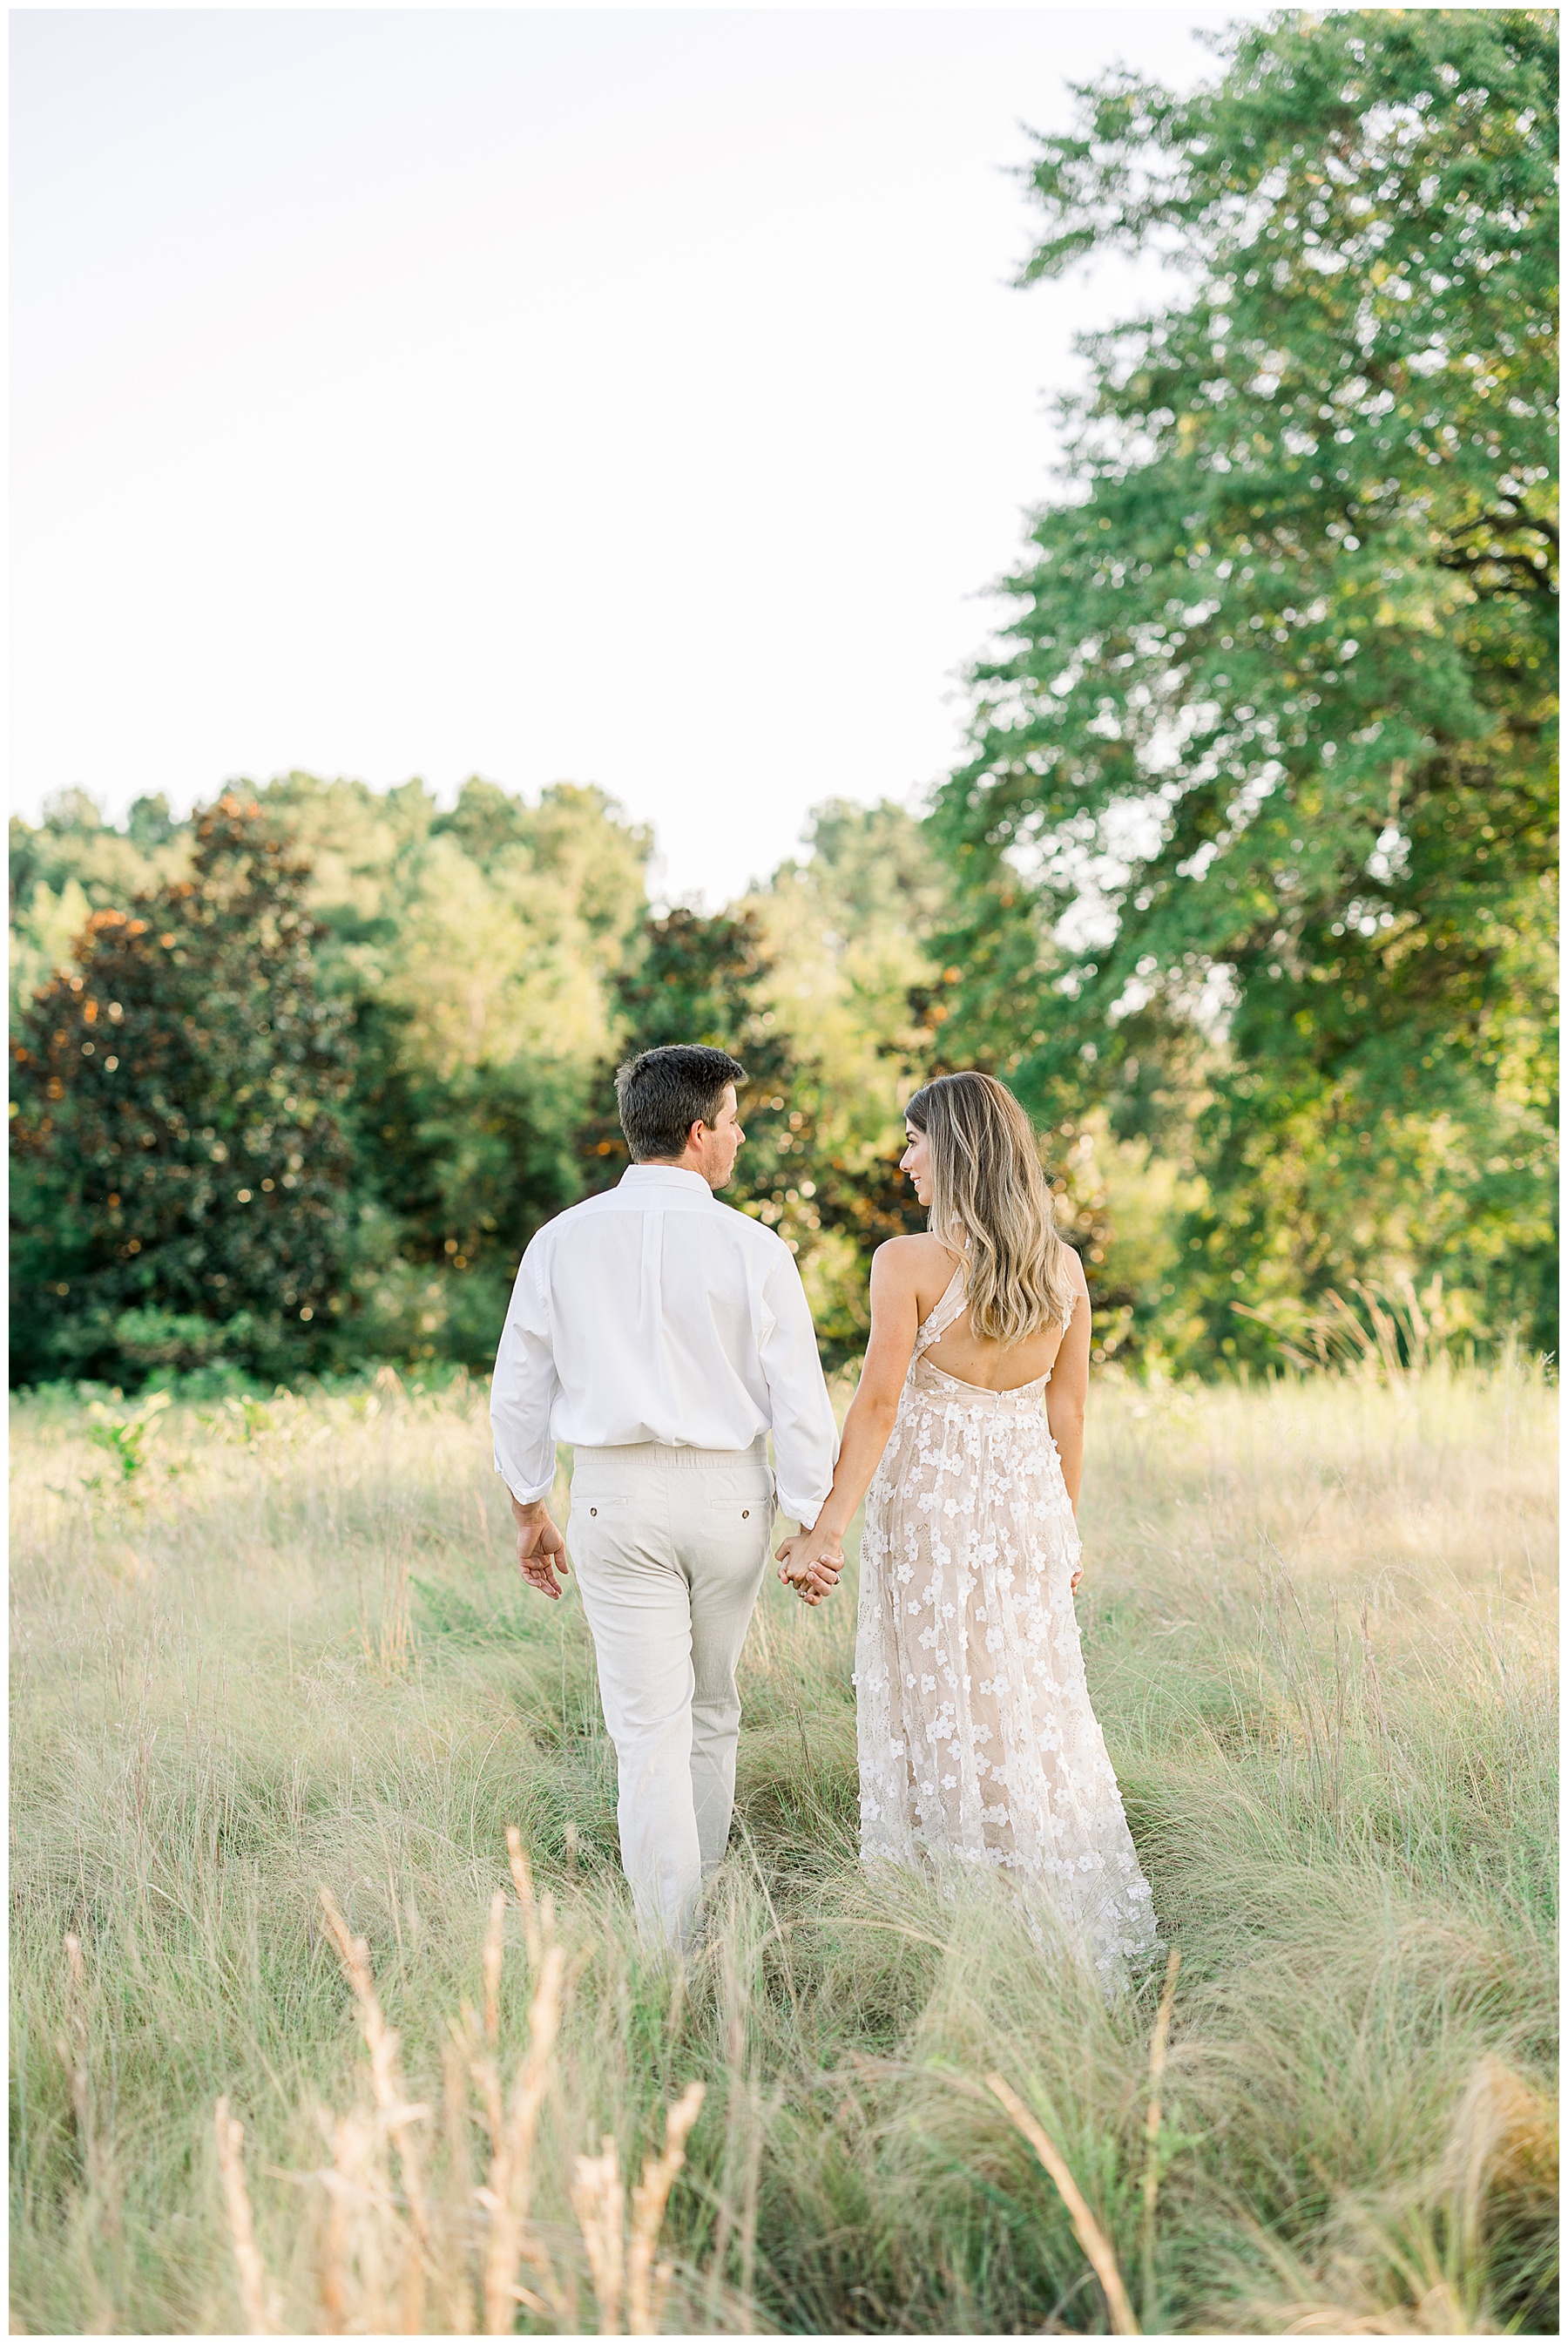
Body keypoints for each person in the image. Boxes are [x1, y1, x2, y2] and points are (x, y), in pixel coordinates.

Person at [775, 1070, 1157, 1984]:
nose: (904, 1159)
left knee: (943, 1701)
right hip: (1027, 1503)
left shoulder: (906, 1262)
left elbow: (876, 1404)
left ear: (959, 1148)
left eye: (915, 1140)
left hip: (935, 1508)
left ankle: (960, 1928)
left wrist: (826, 1529)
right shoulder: (1061, 1268)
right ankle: (1052, 1924)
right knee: (1029, 1702)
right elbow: (1069, 1418)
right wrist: (1064, 1531)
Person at [491, 1043, 838, 1953]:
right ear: (697, 1132)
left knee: (648, 1727)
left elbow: (519, 1386)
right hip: (731, 1497)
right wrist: (809, 1519)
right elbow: (800, 1395)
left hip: (613, 1497)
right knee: (712, 1707)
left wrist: (531, 1508)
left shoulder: (561, 1239)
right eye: (733, 1122)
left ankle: (669, 1943)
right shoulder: (755, 1248)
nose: (740, 1137)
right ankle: (704, 1902)